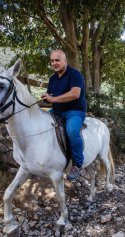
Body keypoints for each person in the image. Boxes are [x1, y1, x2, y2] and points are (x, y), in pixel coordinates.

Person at [41, 49, 87, 181]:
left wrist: (53, 99)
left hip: (75, 111)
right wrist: (47, 98)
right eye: (52, 60)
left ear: (65, 61)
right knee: (40, 123)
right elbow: (52, 97)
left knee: (72, 131)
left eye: (57, 60)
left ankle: (78, 164)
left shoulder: (75, 74)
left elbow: (75, 94)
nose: (54, 63)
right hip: (56, 111)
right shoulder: (53, 78)